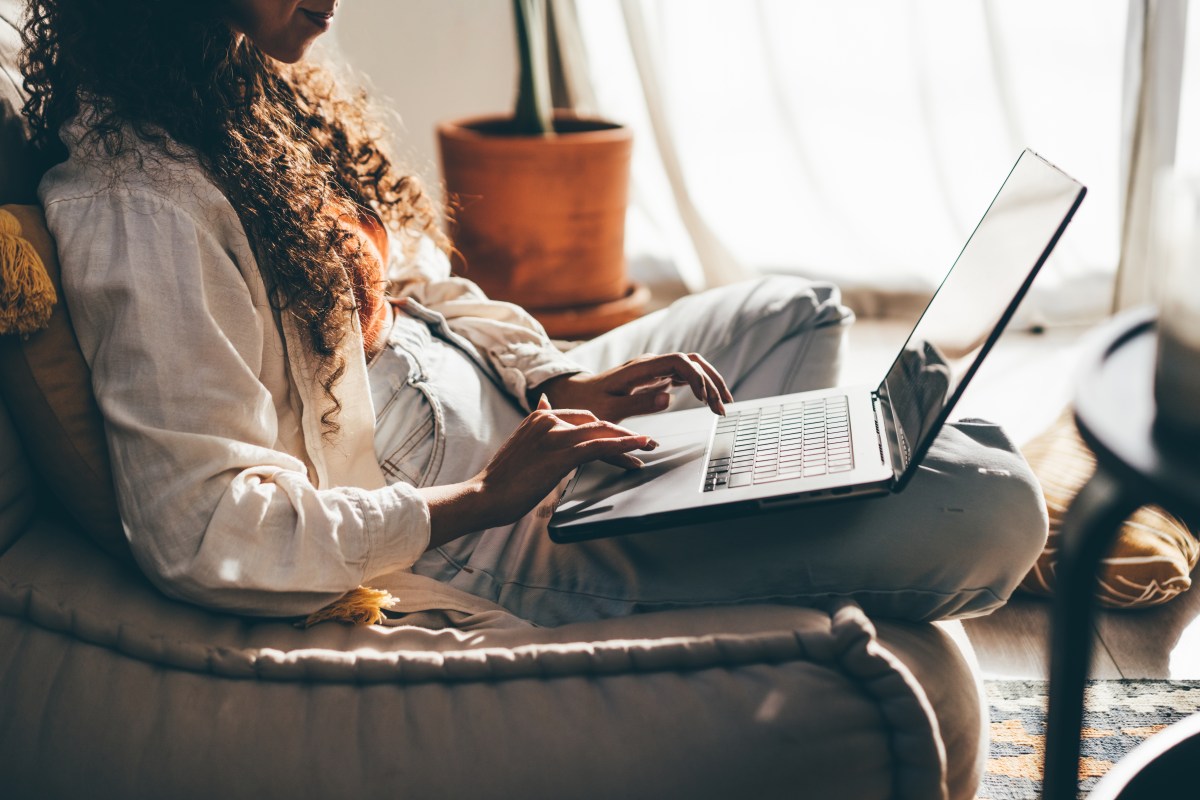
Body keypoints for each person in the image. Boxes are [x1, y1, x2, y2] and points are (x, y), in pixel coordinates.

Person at [21, 0, 1047, 627]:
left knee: (801, 311)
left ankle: (769, 493)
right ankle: (754, 520)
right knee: (998, 497)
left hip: (528, 426)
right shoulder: (140, 205)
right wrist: (482, 498)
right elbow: (203, 529)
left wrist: (553, 378)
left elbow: (425, 288)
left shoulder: (249, 95)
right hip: (486, 524)